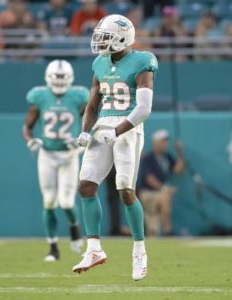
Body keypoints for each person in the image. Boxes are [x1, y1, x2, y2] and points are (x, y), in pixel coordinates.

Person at [72, 14, 158, 281]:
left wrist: (117, 131)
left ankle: (139, 251)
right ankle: (94, 249)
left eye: (105, 37)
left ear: (123, 37)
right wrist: (85, 131)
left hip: (128, 126)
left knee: (124, 189)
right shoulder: (99, 63)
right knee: (86, 184)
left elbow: (144, 109)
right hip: (104, 126)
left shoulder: (143, 60)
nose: (100, 43)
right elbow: (92, 104)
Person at [23, 60, 89, 261]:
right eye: (56, 78)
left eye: (63, 78)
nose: (60, 82)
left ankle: (74, 229)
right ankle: (53, 248)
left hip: (69, 155)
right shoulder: (40, 97)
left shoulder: (79, 96)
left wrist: (80, 140)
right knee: (49, 201)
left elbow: (88, 123)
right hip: (47, 154)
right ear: (48, 78)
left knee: (67, 202)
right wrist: (30, 140)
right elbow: (28, 127)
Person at [138, 129, 185, 236]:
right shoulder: (148, 159)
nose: (165, 144)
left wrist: (180, 152)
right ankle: (167, 230)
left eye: (166, 141)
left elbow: (178, 170)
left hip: (160, 194)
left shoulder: (167, 157)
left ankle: (164, 230)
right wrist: (164, 188)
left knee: (153, 232)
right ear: (156, 143)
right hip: (148, 194)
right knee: (164, 197)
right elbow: (148, 178)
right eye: (163, 141)